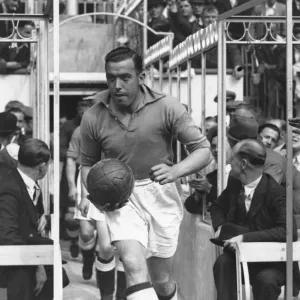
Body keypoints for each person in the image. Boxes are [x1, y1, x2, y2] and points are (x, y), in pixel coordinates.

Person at [79, 47, 212, 300]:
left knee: (161, 281)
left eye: (125, 77)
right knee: (133, 266)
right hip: (121, 197)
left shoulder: (167, 106)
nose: (117, 85)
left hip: (161, 193)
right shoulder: (93, 115)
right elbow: (88, 164)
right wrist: (93, 194)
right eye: (111, 78)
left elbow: (203, 150)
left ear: (141, 77)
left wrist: (176, 170)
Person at [211, 139, 300, 300]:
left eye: (232, 160)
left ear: (243, 163)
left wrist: (244, 238)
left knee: (266, 280)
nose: (229, 164)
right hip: (243, 258)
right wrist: (220, 227)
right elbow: (217, 207)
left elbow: (288, 232)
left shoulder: (277, 193)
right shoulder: (235, 185)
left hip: (273, 262)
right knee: (223, 263)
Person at [0, 138, 69, 300]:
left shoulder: (22, 179)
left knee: (58, 271)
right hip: (10, 254)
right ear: (42, 166)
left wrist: (40, 215)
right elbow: (8, 236)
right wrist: (38, 263)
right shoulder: (10, 190)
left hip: (23, 242)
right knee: (44, 278)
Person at [66, 125, 127, 300]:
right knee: (105, 246)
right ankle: (106, 294)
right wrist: (84, 194)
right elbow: (81, 163)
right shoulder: (87, 129)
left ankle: (121, 295)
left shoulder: (131, 126)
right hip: (96, 185)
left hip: (124, 185)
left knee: (125, 247)